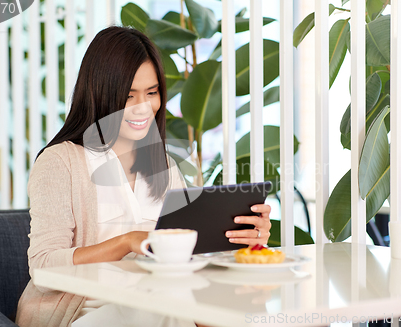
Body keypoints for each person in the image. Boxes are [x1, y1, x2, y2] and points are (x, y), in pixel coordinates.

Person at [16, 26, 272, 327]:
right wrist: (127, 242)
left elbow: (190, 260)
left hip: (159, 304)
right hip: (84, 312)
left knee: (251, 314)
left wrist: (245, 239)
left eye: (152, 93)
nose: (143, 107)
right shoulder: (61, 162)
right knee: (157, 308)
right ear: (101, 93)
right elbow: (44, 269)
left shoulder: (163, 167)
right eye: (129, 95)